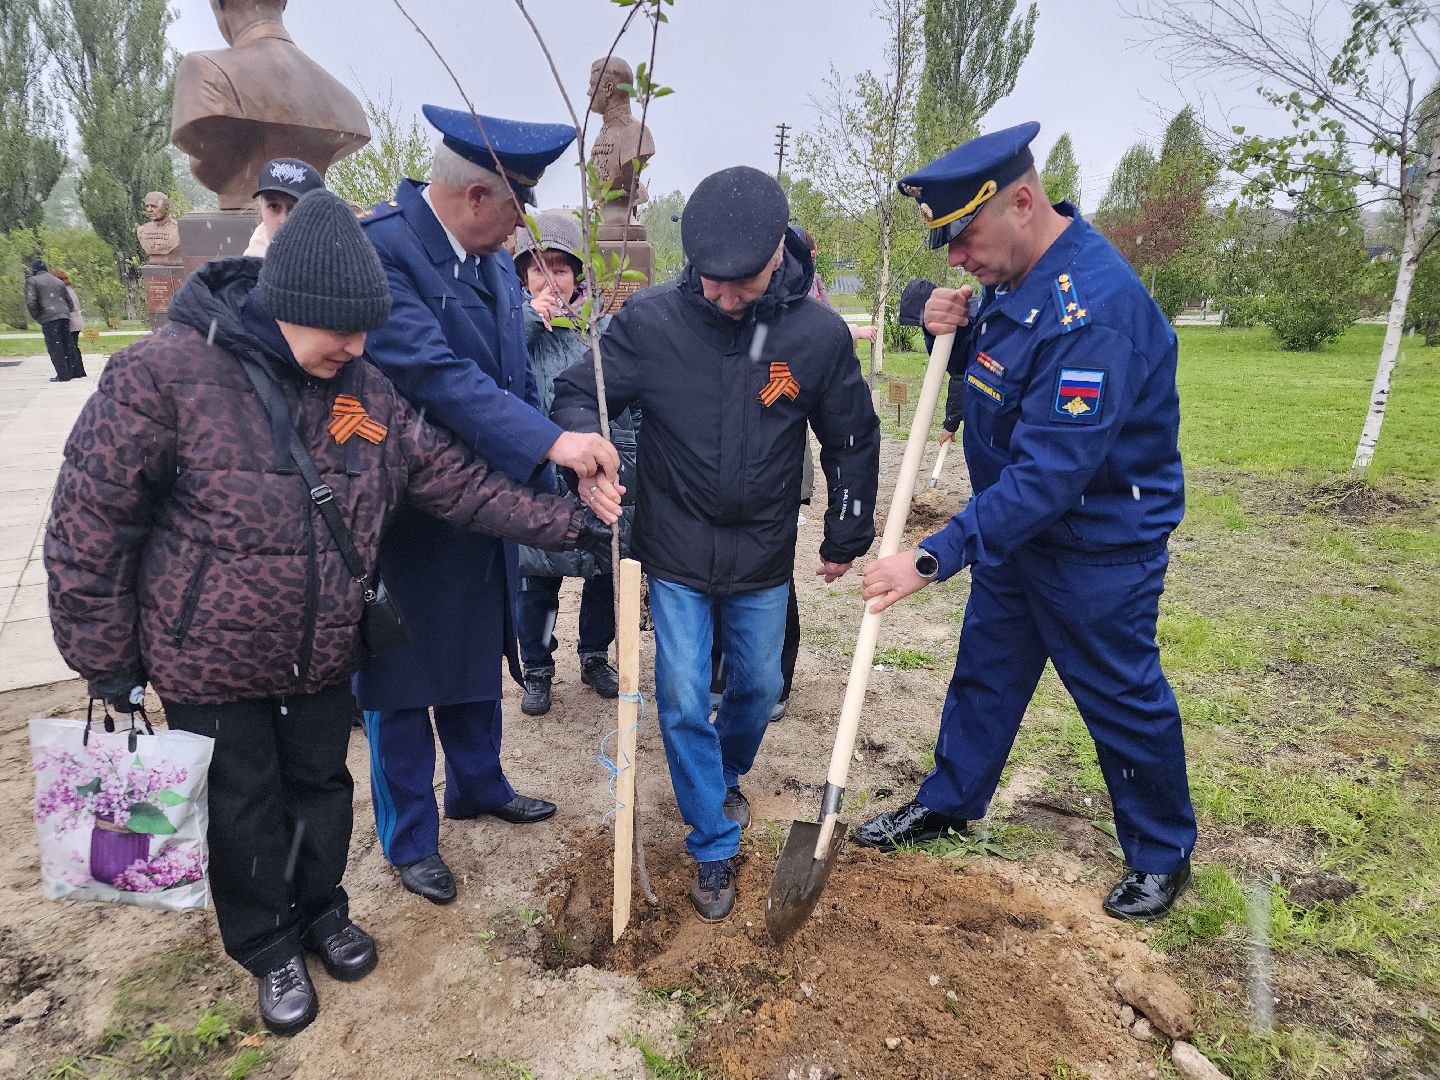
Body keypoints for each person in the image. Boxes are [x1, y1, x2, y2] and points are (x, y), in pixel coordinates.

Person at [44, 190, 612, 1035]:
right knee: (242, 807)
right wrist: (105, 657)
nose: (354, 347)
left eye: (363, 332)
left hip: (319, 650)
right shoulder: (162, 377)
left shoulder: (364, 392)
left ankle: (323, 910)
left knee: (320, 788)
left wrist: (574, 523)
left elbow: (451, 480)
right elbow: (90, 521)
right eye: (340, 330)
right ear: (287, 306)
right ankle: (269, 945)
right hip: (208, 657)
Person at [854, 123, 1197, 921]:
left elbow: (1052, 473)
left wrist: (932, 556)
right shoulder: (1020, 275)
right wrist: (945, 318)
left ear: (1022, 200)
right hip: (1018, 534)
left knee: (1119, 693)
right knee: (987, 672)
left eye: (963, 237)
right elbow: (1005, 356)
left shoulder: (1095, 313)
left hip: (1096, 546)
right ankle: (951, 801)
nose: (957, 257)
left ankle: (1161, 853)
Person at [553, 166, 881, 923]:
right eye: (711, 282)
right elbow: (579, 390)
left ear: (778, 258)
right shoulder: (653, 323)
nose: (724, 297)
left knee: (759, 689)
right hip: (674, 549)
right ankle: (711, 842)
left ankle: (724, 773)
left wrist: (847, 528)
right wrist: (583, 453)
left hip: (763, 552)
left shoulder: (816, 335)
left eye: (742, 284)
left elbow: (852, 435)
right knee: (680, 695)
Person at [355, 106, 620, 906]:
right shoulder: (383, 252)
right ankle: (409, 840)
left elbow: (509, 379)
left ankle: (478, 783)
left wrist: (547, 466)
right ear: (475, 196)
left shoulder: (492, 261)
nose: (521, 235)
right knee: (399, 678)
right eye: (515, 210)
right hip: (403, 514)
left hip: (488, 502)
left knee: (475, 651)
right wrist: (550, 445)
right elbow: (436, 375)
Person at [511, 211, 636, 716]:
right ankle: (537, 667)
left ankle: (594, 656)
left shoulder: (600, 330)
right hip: (536, 471)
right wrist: (525, 320)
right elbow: (491, 373)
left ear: (578, 276)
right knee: (537, 579)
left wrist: (622, 461)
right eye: (538, 269)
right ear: (523, 275)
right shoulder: (510, 325)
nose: (550, 279)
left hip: (595, 472)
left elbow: (624, 399)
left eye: (560, 269)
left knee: (600, 570)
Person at [244, 157, 326, 257]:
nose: (283, 220)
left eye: (296, 210)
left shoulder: (335, 265)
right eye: (274, 207)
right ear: (261, 207)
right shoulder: (245, 268)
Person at [24, 260, 79, 383]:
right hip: (64, 316)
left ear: (34, 270)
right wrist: (66, 312)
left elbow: (31, 302)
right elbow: (69, 301)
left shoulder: (32, 281)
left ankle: (62, 375)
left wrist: (37, 316)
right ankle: (68, 373)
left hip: (48, 317)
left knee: (55, 347)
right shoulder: (58, 281)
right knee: (66, 345)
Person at [51, 269, 88, 379]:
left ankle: (75, 371)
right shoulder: (70, 289)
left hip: (71, 320)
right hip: (76, 320)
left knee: (71, 347)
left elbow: (68, 306)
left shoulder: (63, 290)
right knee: (74, 347)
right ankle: (79, 371)